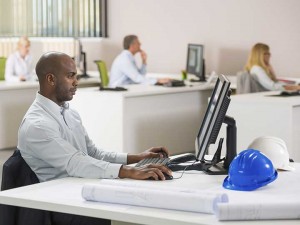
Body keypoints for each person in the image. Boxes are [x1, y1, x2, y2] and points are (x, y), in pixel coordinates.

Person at [18, 52, 172, 224]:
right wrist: (128, 170)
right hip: (63, 205)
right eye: (70, 76)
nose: (76, 82)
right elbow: (75, 162)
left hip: (83, 189)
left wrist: (135, 158)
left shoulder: (70, 113)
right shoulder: (37, 125)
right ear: (51, 79)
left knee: (148, 199)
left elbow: (92, 153)